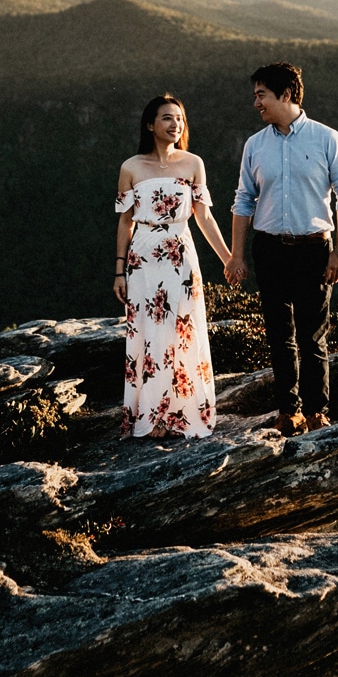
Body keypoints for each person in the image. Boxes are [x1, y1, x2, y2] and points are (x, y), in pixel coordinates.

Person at [223, 62, 338, 436]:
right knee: (279, 336)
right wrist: (237, 255)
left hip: (314, 249)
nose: (256, 103)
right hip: (269, 249)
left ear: (286, 95)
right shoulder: (255, 145)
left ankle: (317, 412)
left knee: (312, 336)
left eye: (261, 95)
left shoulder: (326, 139)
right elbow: (243, 200)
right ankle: (288, 411)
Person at [114, 94, 232, 439]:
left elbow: (204, 217)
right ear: (150, 125)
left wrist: (229, 259)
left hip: (181, 252)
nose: (175, 124)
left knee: (183, 328)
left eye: (179, 118)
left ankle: (183, 413)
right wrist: (119, 271)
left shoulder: (193, 163)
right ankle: (152, 417)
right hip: (143, 257)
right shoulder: (131, 167)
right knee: (148, 332)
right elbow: (125, 222)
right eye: (167, 118)